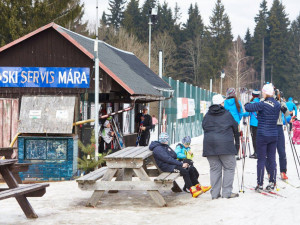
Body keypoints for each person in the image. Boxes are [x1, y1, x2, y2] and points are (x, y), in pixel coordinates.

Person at [149, 133, 211, 198]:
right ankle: (192, 190)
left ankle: (197, 186)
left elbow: (174, 155)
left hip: (171, 164)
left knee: (190, 167)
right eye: (167, 139)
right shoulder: (158, 149)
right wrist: (181, 164)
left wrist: (180, 161)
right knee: (184, 171)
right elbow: (168, 159)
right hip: (166, 167)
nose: (168, 140)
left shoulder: (165, 146)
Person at [202, 94, 240, 199]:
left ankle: (214, 194)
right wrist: (237, 145)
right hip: (226, 146)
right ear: (221, 103)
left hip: (209, 146)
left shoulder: (207, 115)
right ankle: (226, 193)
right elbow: (235, 128)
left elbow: (204, 126)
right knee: (229, 168)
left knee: (214, 169)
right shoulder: (227, 114)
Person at [244, 83, 281, 192]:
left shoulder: (262, 104)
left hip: (262, 134)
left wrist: (249, 101)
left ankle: (260, 184)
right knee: (272, 159)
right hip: (273, 134)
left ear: (265, 93)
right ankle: (272, 182)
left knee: (261, 159)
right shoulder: (277, 104)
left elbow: (247, 107)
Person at [266, 90, 290, 180]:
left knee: (281, 150)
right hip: (269, 126)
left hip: (279, 127)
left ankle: (283, 171)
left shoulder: (281, 102)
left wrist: (283, 107)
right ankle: (269, 171)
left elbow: (287, 114)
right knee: (269, 151)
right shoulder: (266, 101)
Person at [242, 90, 260, 159]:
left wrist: (241, 114)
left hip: (253, 124)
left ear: (252, 95)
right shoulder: (261, 102)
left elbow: (247, 113)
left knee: (254, 138)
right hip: (261, 123)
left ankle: (256, 153)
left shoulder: (251, 104)